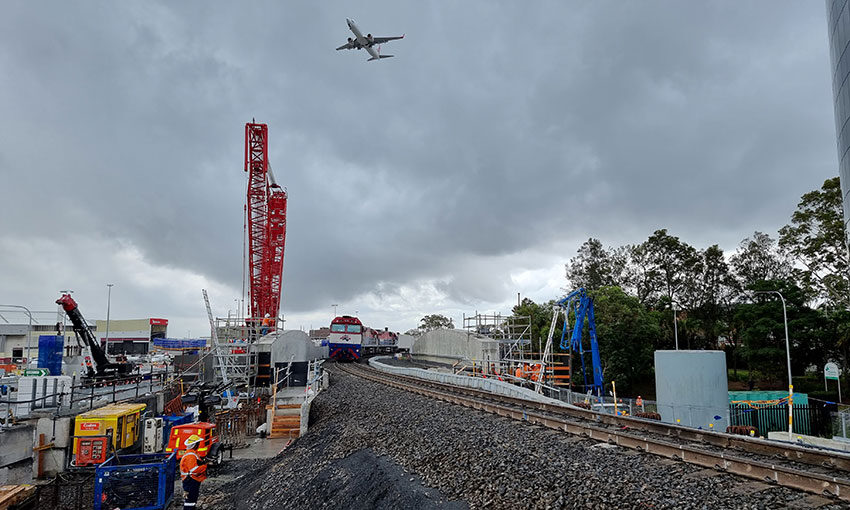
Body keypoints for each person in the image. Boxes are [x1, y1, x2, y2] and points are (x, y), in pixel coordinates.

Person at [180, 434, 207, 509]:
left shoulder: (192, 453)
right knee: (190, 500)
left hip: (190, 480)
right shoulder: (191, 455)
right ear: (195, 445)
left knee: (191, 499)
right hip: (191, 480)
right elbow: (194, 470)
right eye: (198, 443)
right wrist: (204, 466)